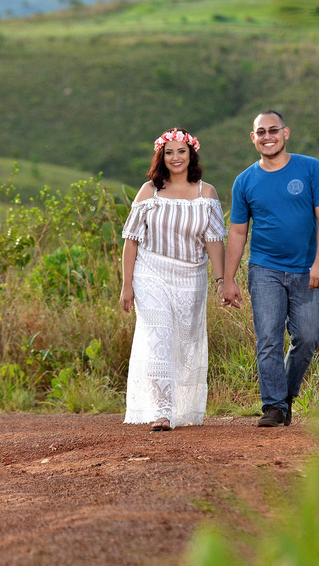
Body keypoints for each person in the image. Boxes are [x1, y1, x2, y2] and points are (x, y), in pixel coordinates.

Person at [220, 110, 319, 427]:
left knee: (308, 337)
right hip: (264, 270)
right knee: (268, 339)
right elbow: (238, 232)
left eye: (273, 130)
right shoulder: (244, 181)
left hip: (306, 270)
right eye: (261, 132)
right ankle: (273, 407)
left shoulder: (310, 168)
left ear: (286, 133)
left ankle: (285, 397)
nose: (267, 136)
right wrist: (227, 279)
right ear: (253, 138)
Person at [120, 128, 227, 432]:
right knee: (159, 338)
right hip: (151, 271)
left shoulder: (206, 193)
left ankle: (182, 407)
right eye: (169, 152)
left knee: (184, 342)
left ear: (191, 153)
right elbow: (131, 241)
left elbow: (214, 241)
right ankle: (161, 412)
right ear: (161, 156)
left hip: (191, 276)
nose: (175, 157)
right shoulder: (148, 192)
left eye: (181, 151)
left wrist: (221, 281)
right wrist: (127, 285)